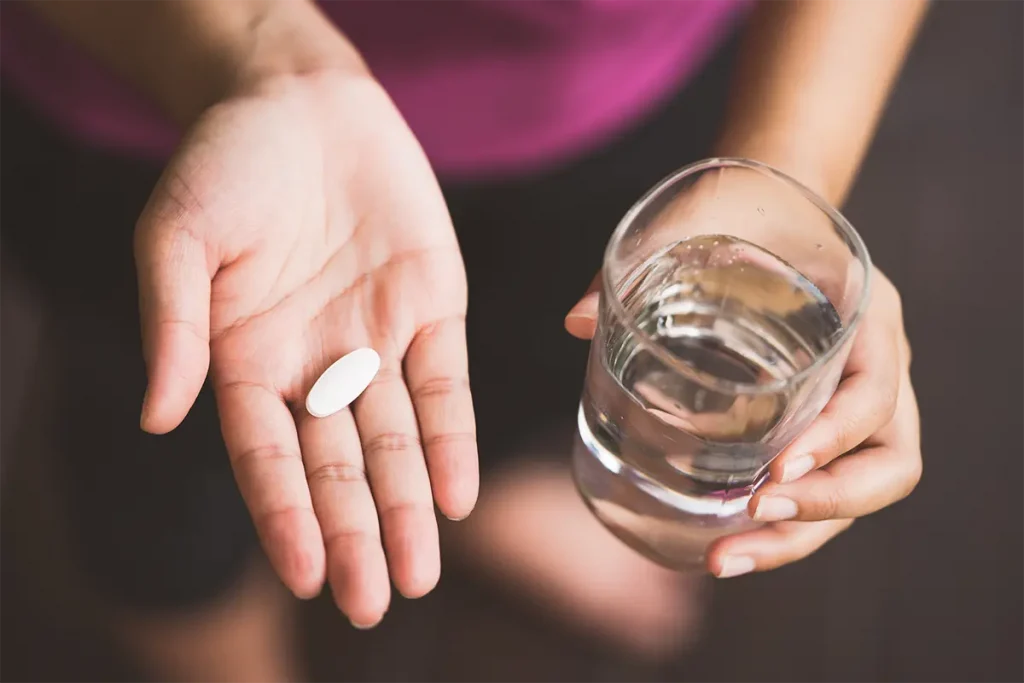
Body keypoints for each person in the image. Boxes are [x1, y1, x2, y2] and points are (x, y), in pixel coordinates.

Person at [0, 0, 927, 680]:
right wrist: (255, 52)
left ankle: (483, 492)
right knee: (165, 455)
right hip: (164, 88)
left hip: (625, 94)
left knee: (517, 358)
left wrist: (786, 185)